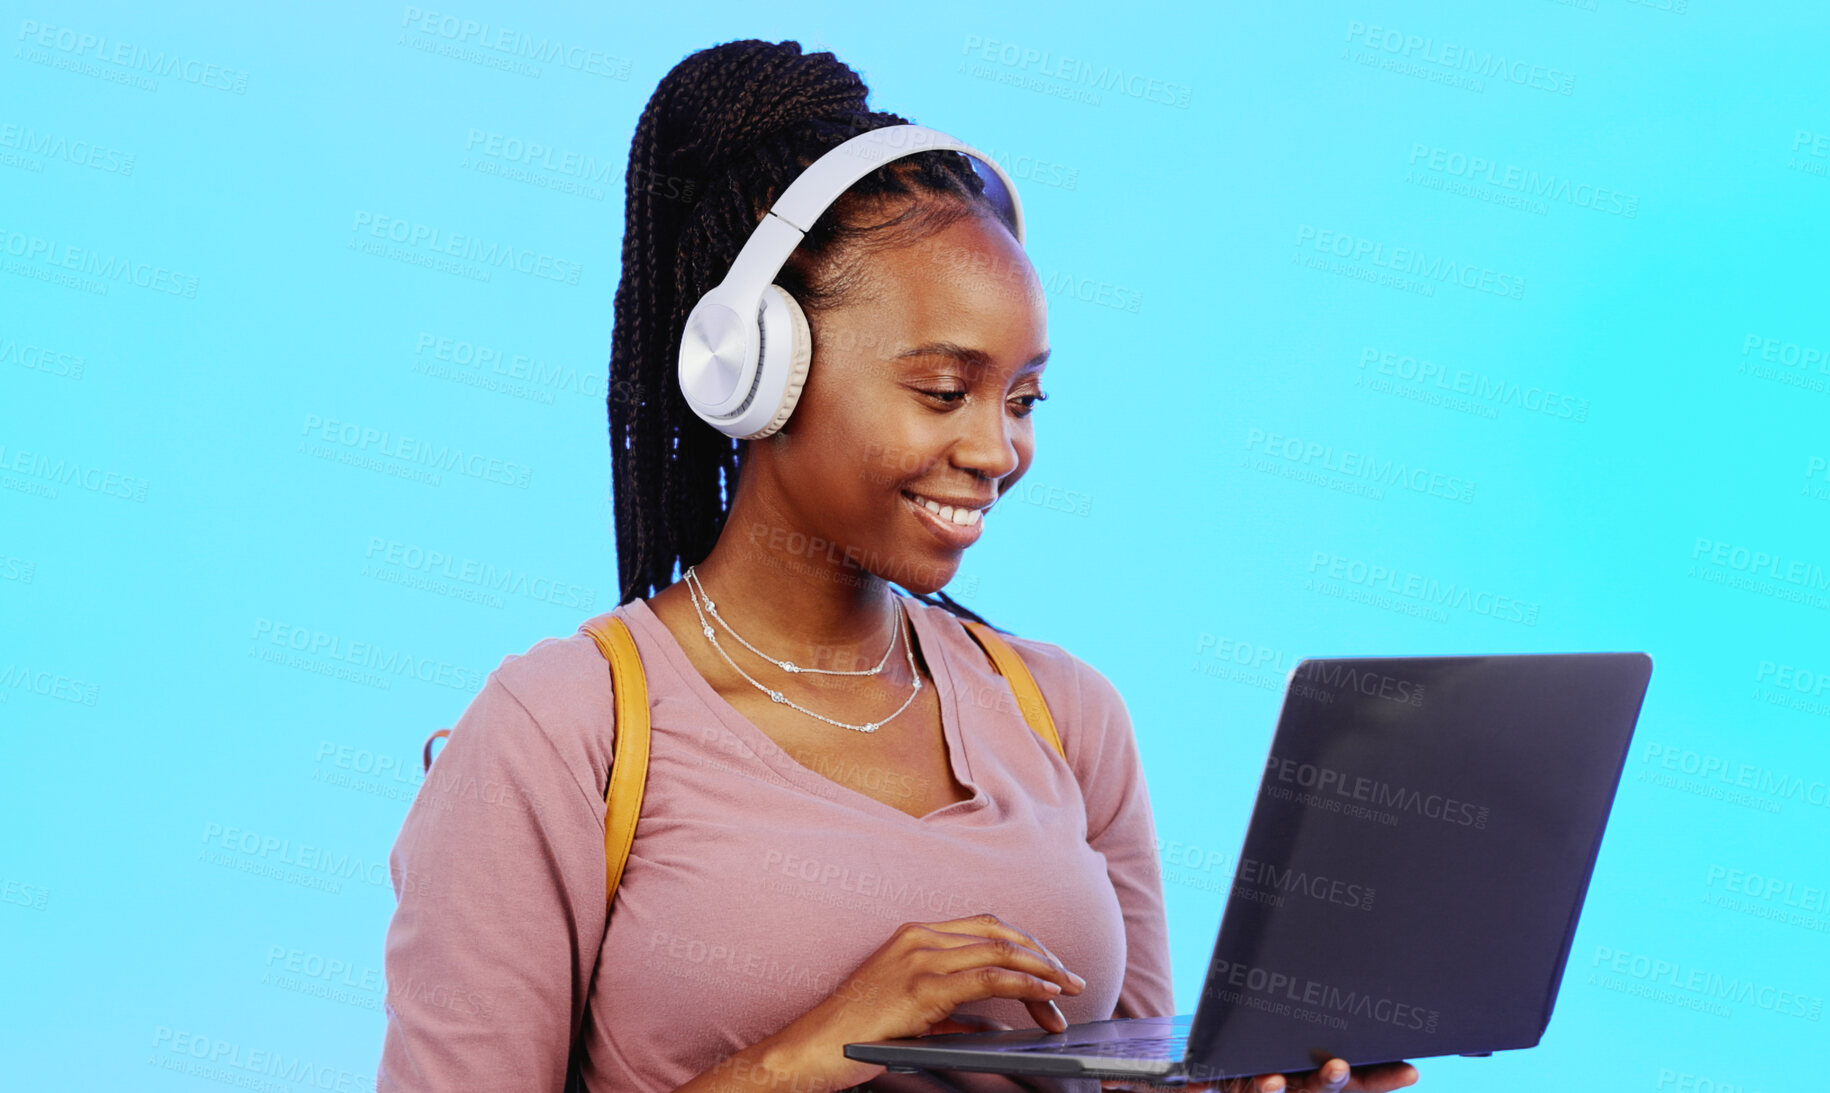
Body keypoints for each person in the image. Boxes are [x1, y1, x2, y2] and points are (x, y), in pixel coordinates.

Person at [378, 38, 1422, 1093]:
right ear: (757, 374)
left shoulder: (1065, 714)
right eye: (941, 391)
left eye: (1020, 399)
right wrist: (801, 1056)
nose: (995, 450)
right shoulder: (564, 730)